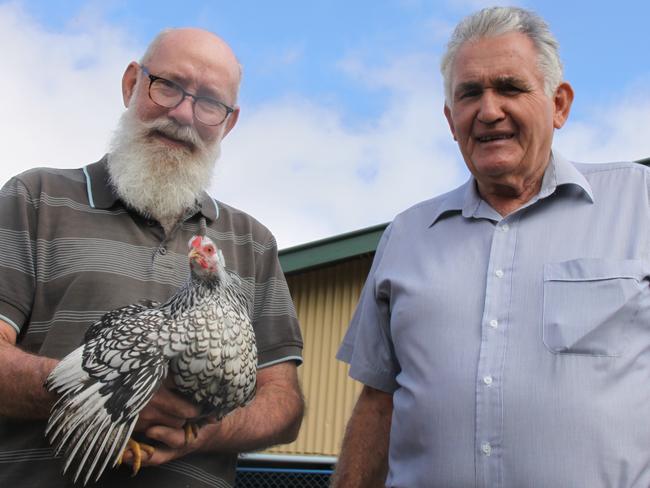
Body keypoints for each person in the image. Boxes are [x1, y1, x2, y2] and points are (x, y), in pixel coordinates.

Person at [333, 6, 650, 488]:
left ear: (559, 104)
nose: (488, 110)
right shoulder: (407, 236)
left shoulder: (638, 206)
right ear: (450, 118)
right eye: (469, 94)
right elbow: (380, 403)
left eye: (509, 87)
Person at [0, 28, 304, 487]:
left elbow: (283, 403)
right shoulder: (35, 199)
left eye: (209, 103)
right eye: (168, 86)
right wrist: (106, 385)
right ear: (131, 84)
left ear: (229, 121)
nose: (183, 114)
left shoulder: (253, 242)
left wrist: (200, 432)